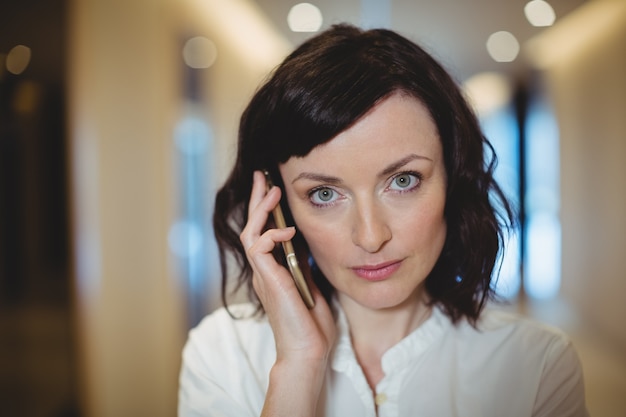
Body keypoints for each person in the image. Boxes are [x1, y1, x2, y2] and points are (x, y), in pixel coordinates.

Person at [178, 24, 588, 417]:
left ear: (453, 177)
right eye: (324, 194)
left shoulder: (535, 365)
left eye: (403, 181)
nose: (371, 237)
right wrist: (299, 366)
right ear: (275, 204)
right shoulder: (222, 354)